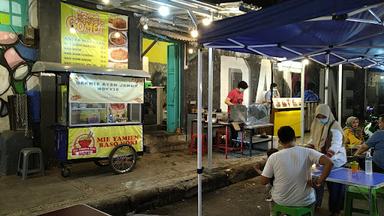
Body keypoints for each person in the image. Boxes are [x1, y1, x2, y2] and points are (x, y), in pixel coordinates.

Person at [260, 126, 333, 209]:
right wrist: (319, 181)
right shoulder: (308, 152)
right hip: (305, 201)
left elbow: (263, 181)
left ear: (280, 142)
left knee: (272, 196)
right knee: (313, 194)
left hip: (281, 201)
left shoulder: (273, 157)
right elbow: (329, 163)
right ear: (295, 138)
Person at [307, 104, 347, 216]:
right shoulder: (316, 124)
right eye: (318, 116)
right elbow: (313, 138)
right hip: (322, 161)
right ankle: (316, 206)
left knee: (335, 187)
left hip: (336, 161)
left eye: (323, 116)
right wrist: (308, 146)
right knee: (317, 182)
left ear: (328, 115)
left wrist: (324, 158)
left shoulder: (335, 127)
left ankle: (336, 211)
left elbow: (336, 144)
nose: (321, 119)